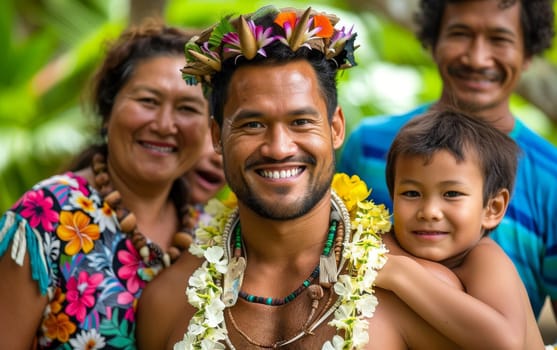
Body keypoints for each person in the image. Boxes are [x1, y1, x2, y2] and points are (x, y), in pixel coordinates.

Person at [137, 6, 468, 350]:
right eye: (253, 124)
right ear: (217, 136)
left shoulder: (420, 294)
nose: (279, 148)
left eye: (301, 122)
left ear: (336, 128)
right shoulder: (168, 302)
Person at [338, 0, 557, 323]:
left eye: (500, 39)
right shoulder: (367, 146)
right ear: (434, 39)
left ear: (527, 52)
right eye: (460, 33)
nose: (477, 58)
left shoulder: (551, 178)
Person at [0, 21, 209, 349]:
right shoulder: (45, 215)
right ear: (108, 110)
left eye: (187, 108)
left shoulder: (209, 233)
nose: (165, 125)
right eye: (148, 101)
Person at [374, 108, 543, 348]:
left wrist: (401, 273)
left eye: (452, 194)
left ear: (492, 208)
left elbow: (506, 342)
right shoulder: (388, 241)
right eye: (411, 193)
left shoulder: (485, 258)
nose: (430, 211)